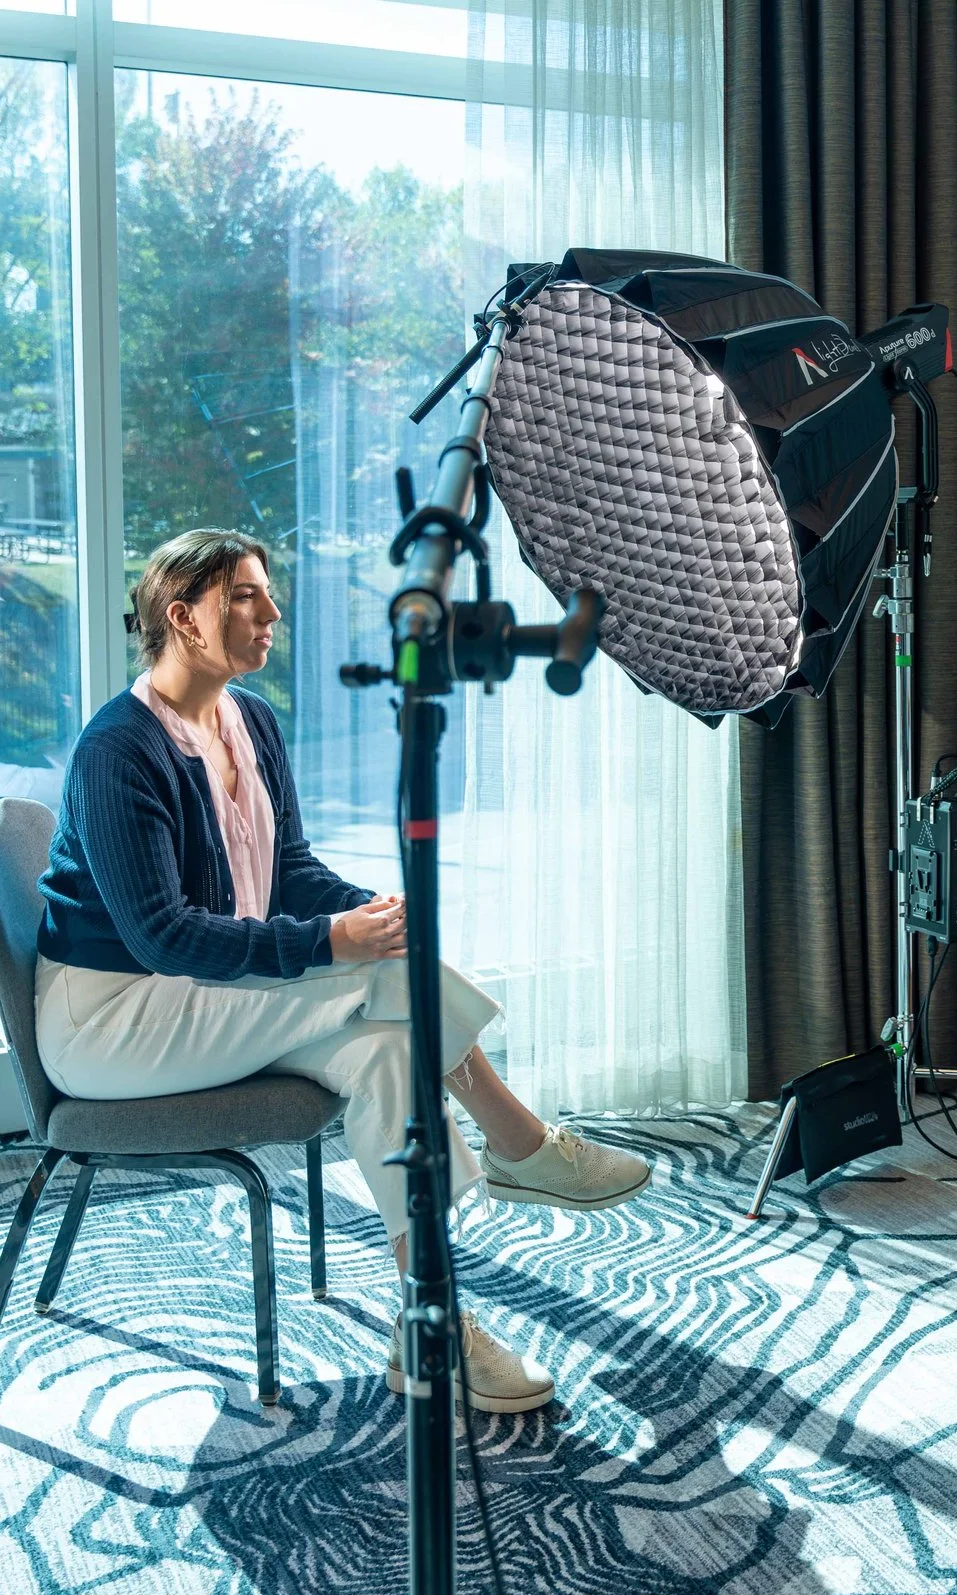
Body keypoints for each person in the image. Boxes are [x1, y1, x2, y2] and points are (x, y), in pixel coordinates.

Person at [34, 527, 650, 1412]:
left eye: (267, 594)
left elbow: (288, 872)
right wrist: (335, 945)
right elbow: (161, 936)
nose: (272, 613)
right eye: (246, 597)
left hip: (212, 995)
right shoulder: (118, 751)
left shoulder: (252, 722)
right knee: (369, 979)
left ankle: (427, 1320)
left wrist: (376, 914)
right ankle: (519, 1142)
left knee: (388, 1052)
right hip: (109, 1019)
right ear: (184, 619)